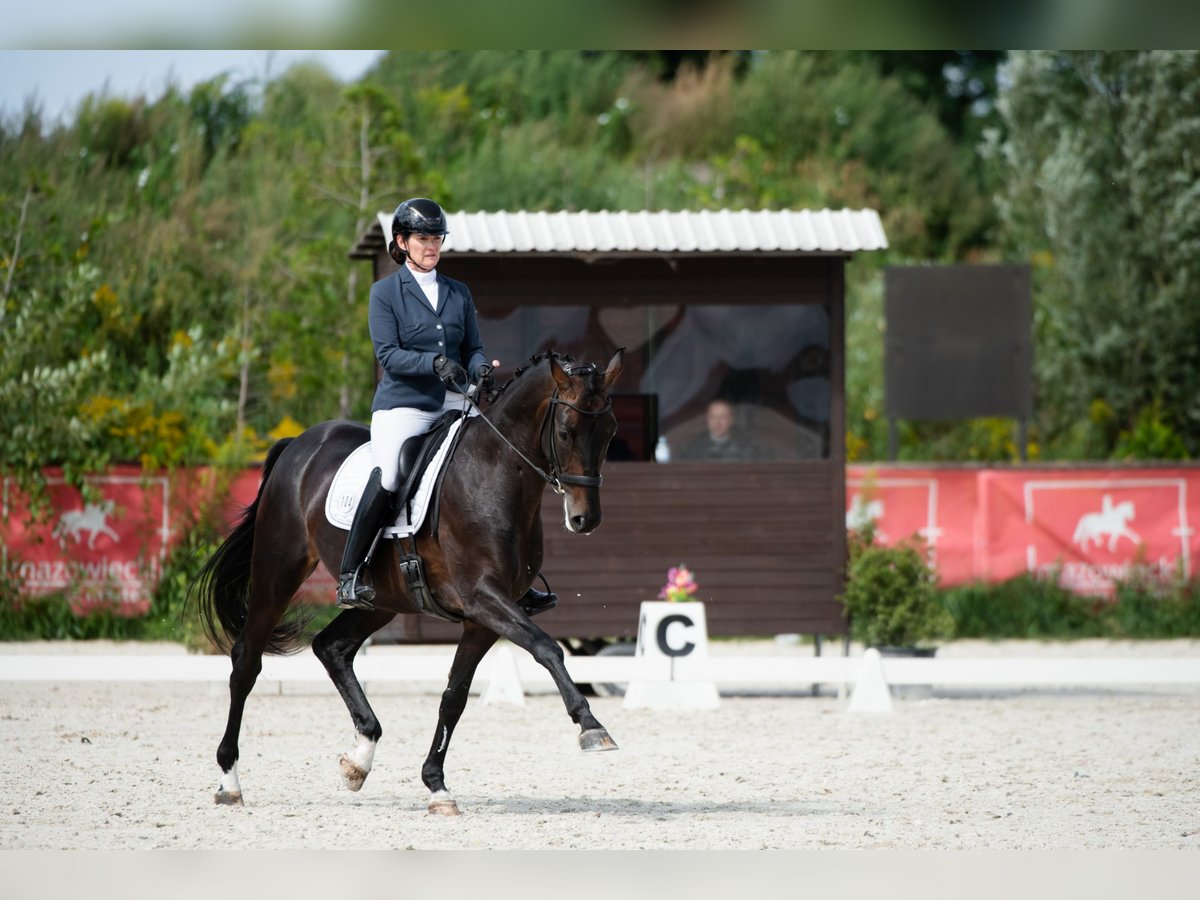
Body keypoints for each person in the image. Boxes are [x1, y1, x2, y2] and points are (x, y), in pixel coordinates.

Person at [336, 197, 557, 617]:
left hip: (457, 402)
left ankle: (518, 577)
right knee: (391, 474)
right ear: (402, 242)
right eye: (422, 238)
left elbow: (473, 348)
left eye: (436, 238)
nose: (431, 245)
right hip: (406, 406)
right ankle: (352, 573)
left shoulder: (457, 291)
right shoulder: (385, 293)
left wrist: (479, 370)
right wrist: (431, 363)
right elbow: (388, 355)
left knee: (501, 462)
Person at [674, 398, 766, 462]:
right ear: (707, 420)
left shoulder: (747, 447)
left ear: (731, 420)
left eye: (722, 417)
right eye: (713, 417)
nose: (717, 422)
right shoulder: (691, 448)